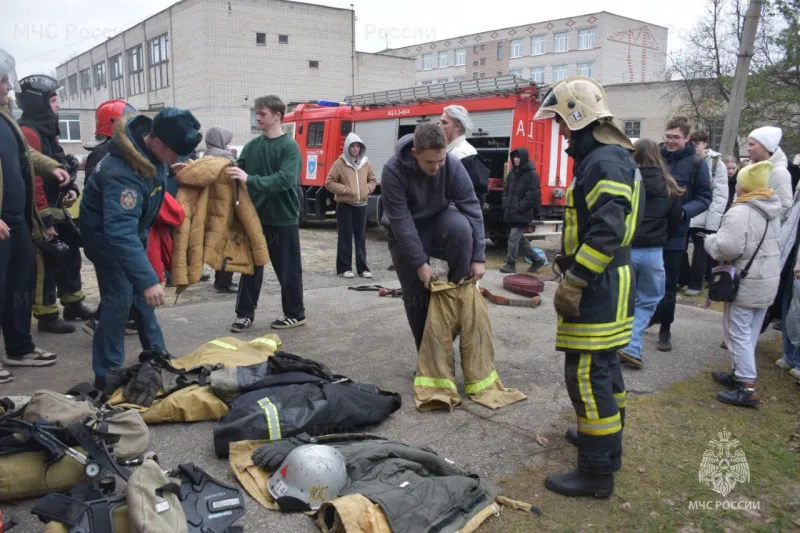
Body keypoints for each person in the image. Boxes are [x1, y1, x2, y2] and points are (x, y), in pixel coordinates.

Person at [80, 107, 202, 388]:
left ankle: (157, 355)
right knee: (118, 303)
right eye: (175, 154)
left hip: (133, 236)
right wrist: (147, 280)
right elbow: (119, 232)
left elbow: (152, 188)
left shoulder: (150, 151)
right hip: (109, 243)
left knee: (145, 302)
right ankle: (107, 372)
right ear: (157, 142)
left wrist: (171, 171)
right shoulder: (122, 173)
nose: (178, 159)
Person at [0, 49, 72, 382]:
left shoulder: (5, 117)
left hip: (17, 220)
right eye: (2, 80)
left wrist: (53, 167)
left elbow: (25, 154)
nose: (7, 87)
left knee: (20, 285)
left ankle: (20, 348)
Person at [381, 123, 486, 351]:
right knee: (417, 297)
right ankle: (428, 357)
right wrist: (420, 263)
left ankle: (459, 287)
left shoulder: (452, 165)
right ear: (415, 153)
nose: (437, 167)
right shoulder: (393, 171)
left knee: (460, 227)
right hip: (403, 231)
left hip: (438, 221)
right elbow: (401, 221)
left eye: (441, 160)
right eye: (430, 162)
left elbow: (472, 208)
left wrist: (478, 257)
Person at [17, 75, 92, 334]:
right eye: (53, 99)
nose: (57, 104)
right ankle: (47, 315)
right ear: (39, 103)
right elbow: (35, 179)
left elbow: (57, 165)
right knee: (47, 262)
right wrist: (45, 221)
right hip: (40, 211)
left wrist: (71, 188)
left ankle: (73, 303)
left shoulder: (48, 129)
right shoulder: (29, 132)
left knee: (71, 255)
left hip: (57, 204)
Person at [705, 161, 781, 407]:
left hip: (747, 281)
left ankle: (747, 387)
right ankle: (738, 375)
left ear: (743, 186)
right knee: (749, 333)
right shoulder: (771, 208)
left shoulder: (740, 211)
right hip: (767, 279)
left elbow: (726, 247)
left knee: (737, 333)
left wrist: (709, 240)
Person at [227, 95, 305, 332]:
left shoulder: (290, 146)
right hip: (256, 219)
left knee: (288, 269)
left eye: (262, 114)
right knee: (250, 268)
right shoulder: (252, 147)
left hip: (283, 218)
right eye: (257, 113)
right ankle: (244, 315)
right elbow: (234, 173)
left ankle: (295, 314)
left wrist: (250, 179)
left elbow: (284, 180)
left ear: (277, 116)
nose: (258, 118)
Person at [617, 139, 684, 369]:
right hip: (653, 252)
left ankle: (619, 344)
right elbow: (676, 220)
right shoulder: (669, 185)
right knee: (648, 301)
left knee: (623, 300)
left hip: (626, 250)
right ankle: (632, 346)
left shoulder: (625, 180)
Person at [650, 116, 712, 352]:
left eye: (676, 137)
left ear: (687, 138)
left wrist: (684, 212)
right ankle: (651, 315)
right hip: (647, 230)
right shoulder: (654, 157)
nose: (670, 141)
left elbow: (705, 198)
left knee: (667, 285)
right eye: (667, 136)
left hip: (674, 234)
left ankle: (665, 328)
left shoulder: (697, 164)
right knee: (644, 281)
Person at [82, 99, 140, 337]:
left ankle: (124, 318)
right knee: (117, 284)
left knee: (119, 283)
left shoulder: (100, 151)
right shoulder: (108, 153)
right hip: (109, 231)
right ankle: (102, 322)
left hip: (105, 229)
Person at [683, 126, 729, 297]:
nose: (695, 146)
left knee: (700, 252)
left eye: (698, 143)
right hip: (687, 212)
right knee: (680, 248)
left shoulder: (717, 164)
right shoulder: (686, 159)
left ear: (705, 144)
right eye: (692, 142)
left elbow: (719, 194)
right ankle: (684, 277)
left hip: (704, 214)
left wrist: (712, 221)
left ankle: (695, 283)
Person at [325, 132, 376, 279]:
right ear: (347, 147)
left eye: (358, 146)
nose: (355, 149)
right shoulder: (339, 163)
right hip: (345, 205)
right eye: (352, 146)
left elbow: (372, 180)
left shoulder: (366, 163)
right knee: (345, 237)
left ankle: (363, 269)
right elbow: (329, 182)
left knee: (361, 237)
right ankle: (344, 268)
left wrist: (367, 190)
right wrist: (346, 190)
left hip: (362, 205)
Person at [203, 125, 240, 294]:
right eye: (227, 141)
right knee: (229, 245)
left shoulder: (206, 155)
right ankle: (224, 282)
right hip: (225, 207)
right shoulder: (225, 158)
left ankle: (220, 281)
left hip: (210, 207)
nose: (228, 144)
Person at [499, 148, 545, 273]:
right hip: (511, 212)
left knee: (513, 238)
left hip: (522, 213)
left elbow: (532, 195)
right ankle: (537, 260)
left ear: (523, 158)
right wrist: (505, 203)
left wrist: (519, 207)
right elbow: (506, 191)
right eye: (514, 157)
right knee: (519, 239)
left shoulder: (532, 174)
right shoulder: (512, 174)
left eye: (518, 157)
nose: (516, 159)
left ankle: (510, 264)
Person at [439, 105, 489, 206]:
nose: (439, 126)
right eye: (439, 122)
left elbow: (474, 199)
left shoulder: (466, 155)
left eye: (444, 123)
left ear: (458, 126)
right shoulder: (447, 151)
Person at [746, 127, 792, 219]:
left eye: (752, 145)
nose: (748, 149)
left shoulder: (779, 173)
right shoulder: (749, 169)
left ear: (766, 146)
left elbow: (784, 208)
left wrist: (760, 226)